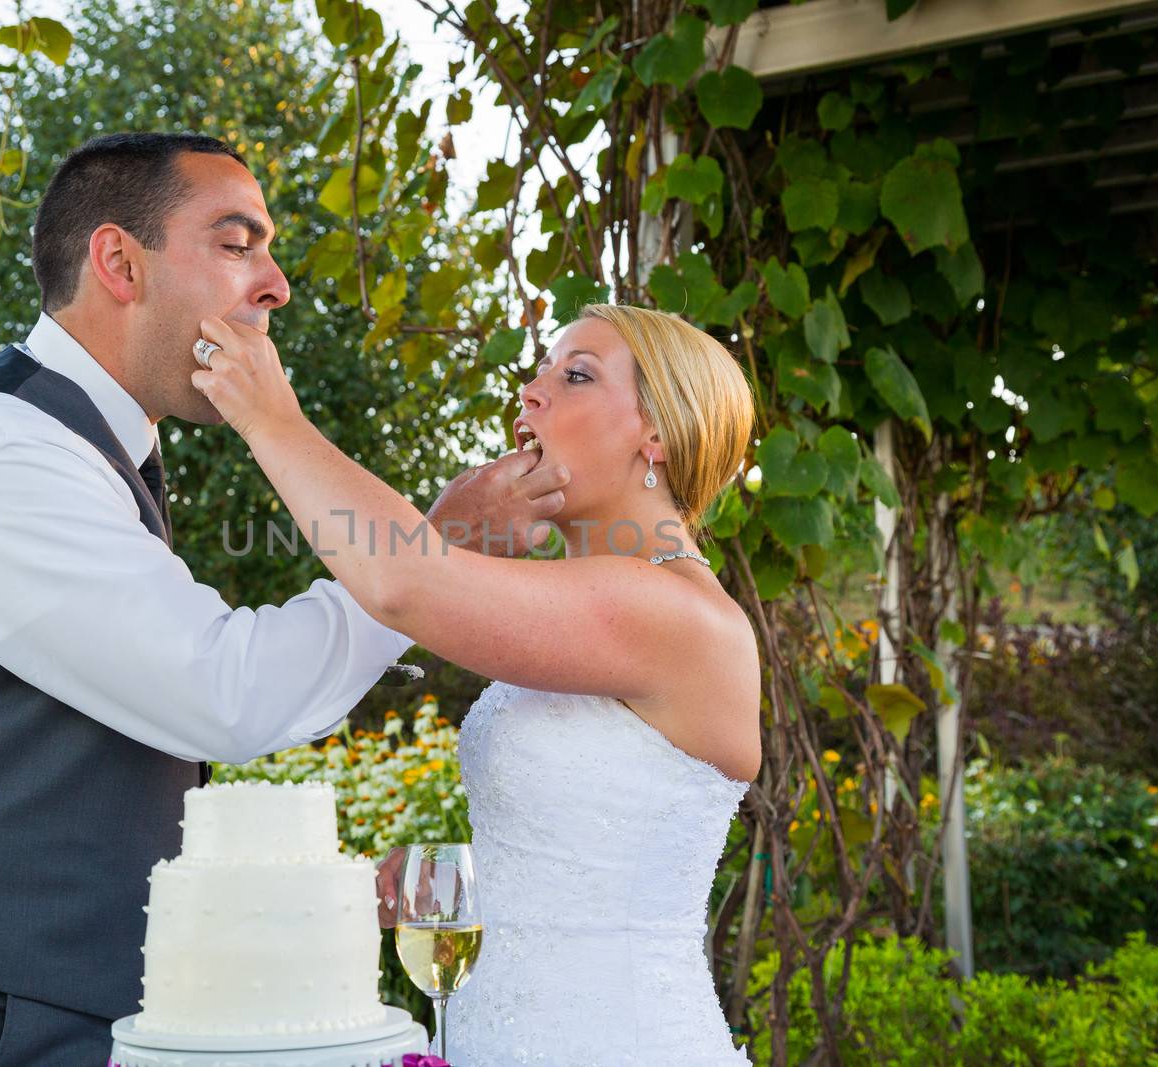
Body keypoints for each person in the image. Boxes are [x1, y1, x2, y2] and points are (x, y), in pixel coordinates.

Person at [0, 132, 568, 1066]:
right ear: (120, 262)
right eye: (238, 244)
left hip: (62, 1012)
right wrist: (428, 556)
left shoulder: (87, 448)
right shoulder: (2, 454)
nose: (278, 283)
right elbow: (222, 690)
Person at [196, 302, 762, 1065]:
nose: (531, 390)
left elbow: (401, 582)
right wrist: (473, 880)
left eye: (577, 375)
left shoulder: (676, 612)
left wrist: (272, 417)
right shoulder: (593, 604)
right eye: (542, 368)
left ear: (657, 435)